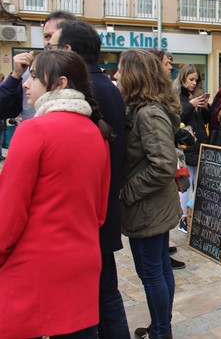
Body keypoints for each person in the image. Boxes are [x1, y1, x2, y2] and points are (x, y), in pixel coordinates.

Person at [0, 49, 113, 338]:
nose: (25, 83)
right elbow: (99, 213)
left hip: (33, 267)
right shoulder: (96, 134)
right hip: (82, 264)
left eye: (34, 77)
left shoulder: (33, 131)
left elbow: (8, 214)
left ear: (59, 83)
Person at [50, 19, 131, 337]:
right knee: (105, 289)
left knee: (99, 294)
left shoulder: (84, 90)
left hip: (90, 211)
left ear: (67, 51)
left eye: (53, 46)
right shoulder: (105, 86)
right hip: (103, 207)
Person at [114, 49, 182, 339]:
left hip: (148, 206)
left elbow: (164, 165)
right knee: (159, 268)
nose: (116, 76)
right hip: (150, 204)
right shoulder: (144, 108)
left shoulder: (148, 112)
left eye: (120, 71)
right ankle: (160, 326)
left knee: (152, 272)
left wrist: (128, 191)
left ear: (134, 76)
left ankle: (161, 330)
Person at [149, 48, 187, 269]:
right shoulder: (153, 99)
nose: (171, 66)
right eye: (166, 63)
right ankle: (163, 251)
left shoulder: (163, 92)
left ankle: (164, 248)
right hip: (163, 162)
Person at [174, 64, 210, 234]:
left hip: (200, 145)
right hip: (186, 147)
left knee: (198, 185)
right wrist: (190, 104)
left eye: (196, 80)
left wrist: (205, 107)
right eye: (191, 79)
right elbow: (177, 118)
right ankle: (183, 219)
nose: (194, 83)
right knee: (186, 186)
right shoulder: (177, 96)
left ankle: (192, 216)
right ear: (183, 78)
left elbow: (206, 121)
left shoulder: (194, 96)